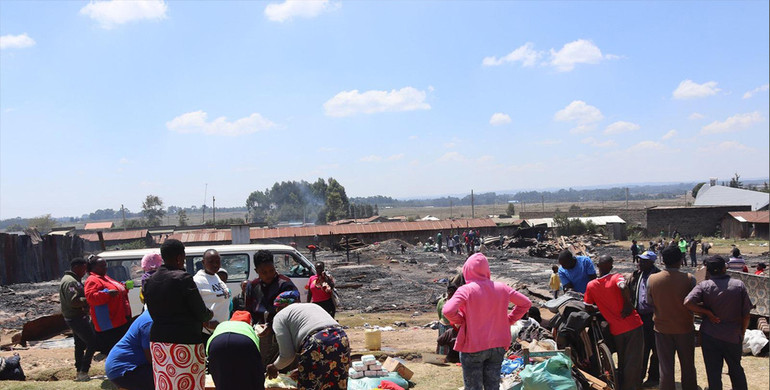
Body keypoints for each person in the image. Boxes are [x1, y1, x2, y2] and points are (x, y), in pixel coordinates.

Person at [442, 253, 532, 390]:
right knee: (493, 386)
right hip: (498, 345)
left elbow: (447, 311)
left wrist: (461, 320)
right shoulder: (502, 288)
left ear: (467, 271)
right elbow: (526, 303)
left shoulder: (466, 290)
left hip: (473, 345)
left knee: (473, 387)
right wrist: (509, 320)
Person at [144, 239, 213, 390]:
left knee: (166, 385)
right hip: (184, 344)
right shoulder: (183, 278)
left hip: (159, 344)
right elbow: (202, 313)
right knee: (189, 384)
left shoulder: (150, 280)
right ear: (180, 257)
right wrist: (209, 314)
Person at [684, 255, 751, 390]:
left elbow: (687, 303)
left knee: (713, 372)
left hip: (710, 335)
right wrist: (742, 331)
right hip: (732, 335)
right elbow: (746, 315)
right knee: (736, 369)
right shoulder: (738, 285)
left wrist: (707, 313)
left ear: (708, 271)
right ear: (724, 269)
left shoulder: (704, 285)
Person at [584, 255, 644, 390]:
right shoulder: (617, 277)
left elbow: (587, 306)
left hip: (616, 329)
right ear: (611, 266)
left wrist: (602, 306)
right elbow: (623, 286)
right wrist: (628, 304)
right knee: (634, 360)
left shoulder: (591, 285)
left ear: (597, 266)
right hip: (633, 324)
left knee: (623, 359)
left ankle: (622, 385)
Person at [266, 296, 350, 390]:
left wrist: (274, 367)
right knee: (336, 383)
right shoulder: (311, 306)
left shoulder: (280, 316)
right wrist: (302, 368)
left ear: (279, 307)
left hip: (317, 341)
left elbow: (287, 356)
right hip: (341, 338)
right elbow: (325, 358)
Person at [646, 245, 698, 390]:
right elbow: (694, 303)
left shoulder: (652, 279)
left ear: (662, 260)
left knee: (666, 367)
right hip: (684, 328)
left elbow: (649, 302)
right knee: (688, 365)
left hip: (662, 328)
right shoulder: (689, 279)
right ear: (681, 260)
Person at [243, 250, 299, 365]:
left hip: (282, 332)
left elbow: (291, 311)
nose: (268, 275)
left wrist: (271, 326)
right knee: (261, 365)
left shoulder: (285, 284)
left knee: (284, 365)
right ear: (256, 271)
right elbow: (249, 310)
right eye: (264, 272)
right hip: (260, 333)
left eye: (271, 270)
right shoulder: (252, 286)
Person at [59, 257, 98, 381]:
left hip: (75, 317)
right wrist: (90, 299)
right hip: (76, 317)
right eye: (84, 268)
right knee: (92, 342)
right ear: (77, 268)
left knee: (80, 344)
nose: (85, 271)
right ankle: (84, 370)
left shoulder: (72, 280)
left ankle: (79, 371)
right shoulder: (71, 282)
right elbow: (74, 301)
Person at [84, 255, 131, 355]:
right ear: (93, 267)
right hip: (109, 323)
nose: (105, 268)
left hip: (119, 319)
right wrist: (107, 294)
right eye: (102, 266)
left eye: (105, 266)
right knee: (113, 351)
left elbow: (116, 288)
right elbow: (91, 298)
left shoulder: (104, 277)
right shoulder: (92, 280)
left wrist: (123, 287)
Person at [207, 311, 264, 390]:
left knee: (221, 380)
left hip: (217, 343)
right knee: (253, 379)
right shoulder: (249, 328)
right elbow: (255, 363)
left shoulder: (223, 324)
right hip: (244, 341)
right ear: (249, 322)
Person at [627, 251, 660, 387]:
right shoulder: (637, 274)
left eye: (644, 261)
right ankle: (639, 377)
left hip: (654, 317)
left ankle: (653, 377)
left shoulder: (658, 276)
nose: (640, 262)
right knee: (641, 349)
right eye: (640, 260)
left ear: (651, 262)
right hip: (640, 317)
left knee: (656, 349)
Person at [105, 310, 154, 390]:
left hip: (125, 367)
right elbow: (151, 358)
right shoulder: (150, 321)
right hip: (124, 369)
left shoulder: (151, 315)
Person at [193, 249, 232, 337]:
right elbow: (192, 306)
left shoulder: (216, 277)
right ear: (203, 262)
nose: (215, 264)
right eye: (211, 262)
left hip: (221, 329)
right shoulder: (198, 281)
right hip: (207, 332)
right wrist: (206, 323)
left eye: (217, 261)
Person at [436, 284, 457, 355]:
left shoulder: (457, 302)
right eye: (449, 291)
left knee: (451, 342)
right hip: (442, 324)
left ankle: (450, 357)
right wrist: (441, 321)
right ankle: (441, 356)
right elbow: (439, 312)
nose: (450, 293)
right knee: (442, 340)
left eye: (452, 291)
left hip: (452, 325)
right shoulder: (441, 301)